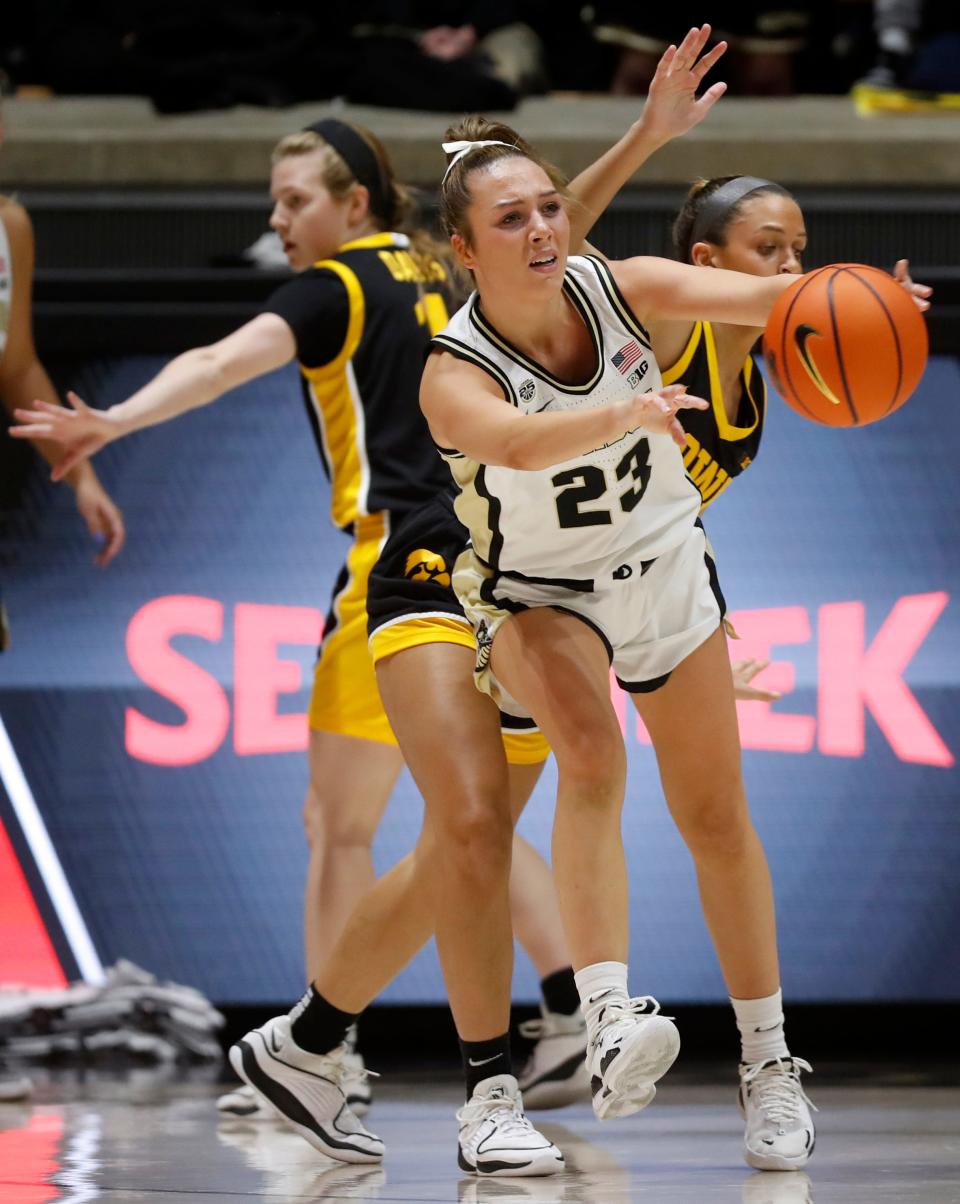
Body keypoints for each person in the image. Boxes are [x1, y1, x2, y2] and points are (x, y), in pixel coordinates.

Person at [6, 113, 578, 1123]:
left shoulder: (337, 284)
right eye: (273, 200)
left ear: (355, 202)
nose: (278, 219)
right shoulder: (452, 265)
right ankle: (570, 1004)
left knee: (344, 822)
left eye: (296, 198)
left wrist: (116, 420)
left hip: (397, 562)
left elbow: (225, 360)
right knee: (473, 809)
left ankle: (324, 1056)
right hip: (501, 552)